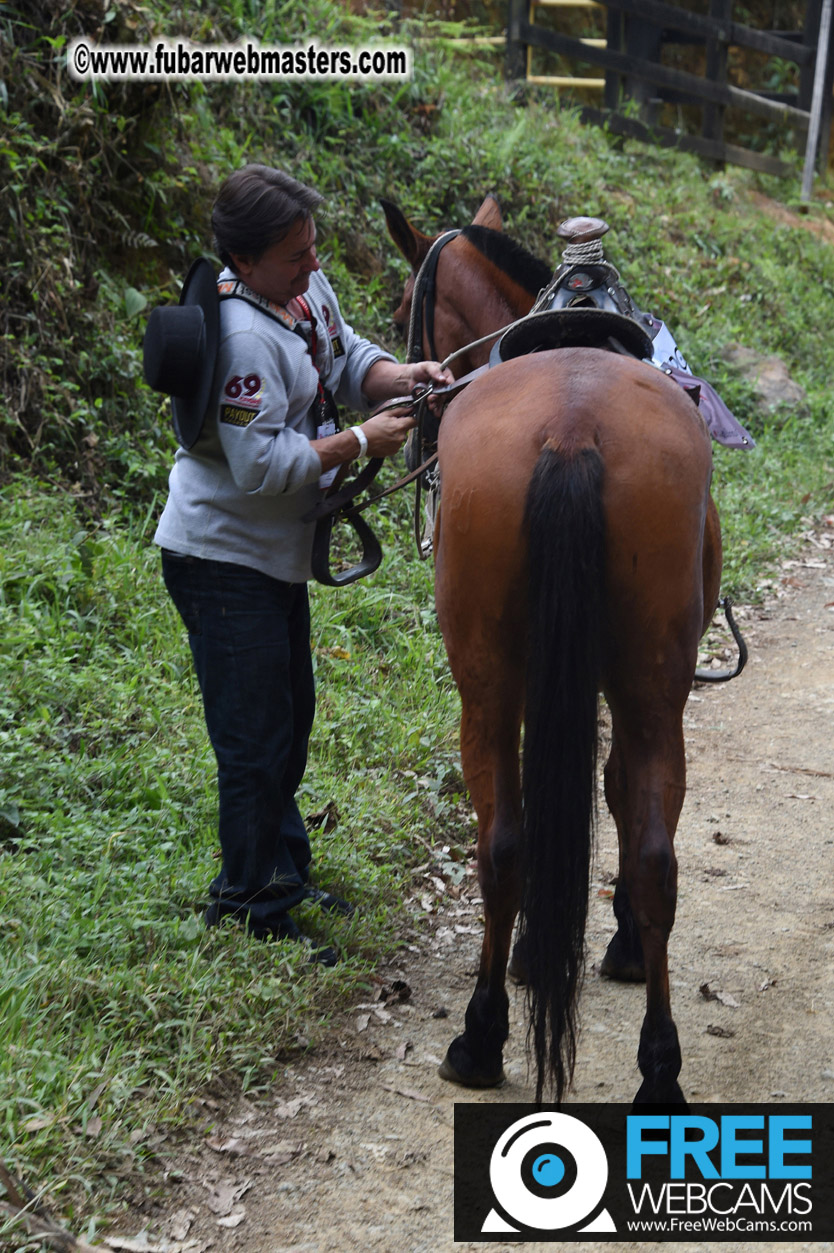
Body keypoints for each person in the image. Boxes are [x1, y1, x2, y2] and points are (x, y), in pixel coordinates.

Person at [154, 165, 452, 963]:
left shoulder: (298, 292)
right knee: (254, 735)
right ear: (244, 263)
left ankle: (280, 869)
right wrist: (362, 440)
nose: (313, 267)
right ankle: (247, 901)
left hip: (271, 560)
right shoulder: (243, 338)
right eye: (295, 257)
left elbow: (347, 357)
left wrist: (402, 376)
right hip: (222, 559)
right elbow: (261, 467)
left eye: (313, 249)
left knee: (291, 720)